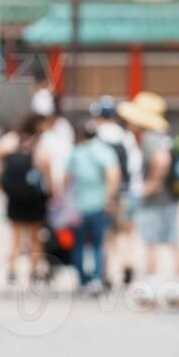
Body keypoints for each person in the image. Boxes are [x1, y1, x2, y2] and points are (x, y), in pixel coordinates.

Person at [120, 91, 179, 284]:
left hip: (155, 200)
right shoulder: (164, 136)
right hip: (171, 197)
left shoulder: (150, 138)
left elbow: (161, 161)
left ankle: (149, 287)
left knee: (150, 243)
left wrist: (149, 186)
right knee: (174, 240)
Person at [0, 113, 52, 284]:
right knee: (35, 236)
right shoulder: (38, 144)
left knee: (16, 237)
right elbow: (46, 167)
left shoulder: (12, 140)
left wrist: (1, 175)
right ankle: (34, 269)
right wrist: (51, 189)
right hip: (34, 197)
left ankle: (12, 270)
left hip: (15, 196)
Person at [67, 119, 121, 295]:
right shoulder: (105, 152)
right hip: (99, 203)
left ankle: (82, 280)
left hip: (78, 205)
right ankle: (97, 279)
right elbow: (113, 177)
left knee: (79, 244)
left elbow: (66, 179)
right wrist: (109, 198)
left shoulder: (77, 152)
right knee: (98, 243)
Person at [92, 98, 143, 283]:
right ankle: (127, 265)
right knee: (124, 231)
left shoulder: (97, 137)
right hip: (126, 192)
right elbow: (134, 166)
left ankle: (106, 273)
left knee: (106, 234)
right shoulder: (125, 136)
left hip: (104, 192)